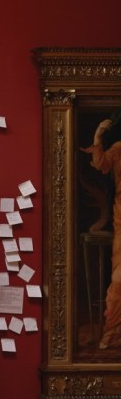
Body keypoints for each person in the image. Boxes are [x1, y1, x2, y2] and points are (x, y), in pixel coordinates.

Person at [81, 116, 121, 348]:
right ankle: (112, 333)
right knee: (118, 280)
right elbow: (100, 163)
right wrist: (98, 135)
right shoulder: (119, 149)